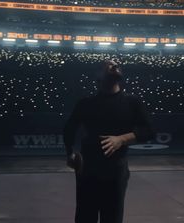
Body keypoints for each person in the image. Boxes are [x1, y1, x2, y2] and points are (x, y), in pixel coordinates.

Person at [63, 60, 154, 223]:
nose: (115, 65)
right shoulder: (86, 104)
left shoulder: (132, 102)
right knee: (85, 217)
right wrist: (69, 153)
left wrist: (121, 139)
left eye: (117, 64)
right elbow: (68, 129)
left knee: (112, 219)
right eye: (108, 65)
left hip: (115, 171)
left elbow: (149, 131)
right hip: (88, 170)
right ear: (97, 77)